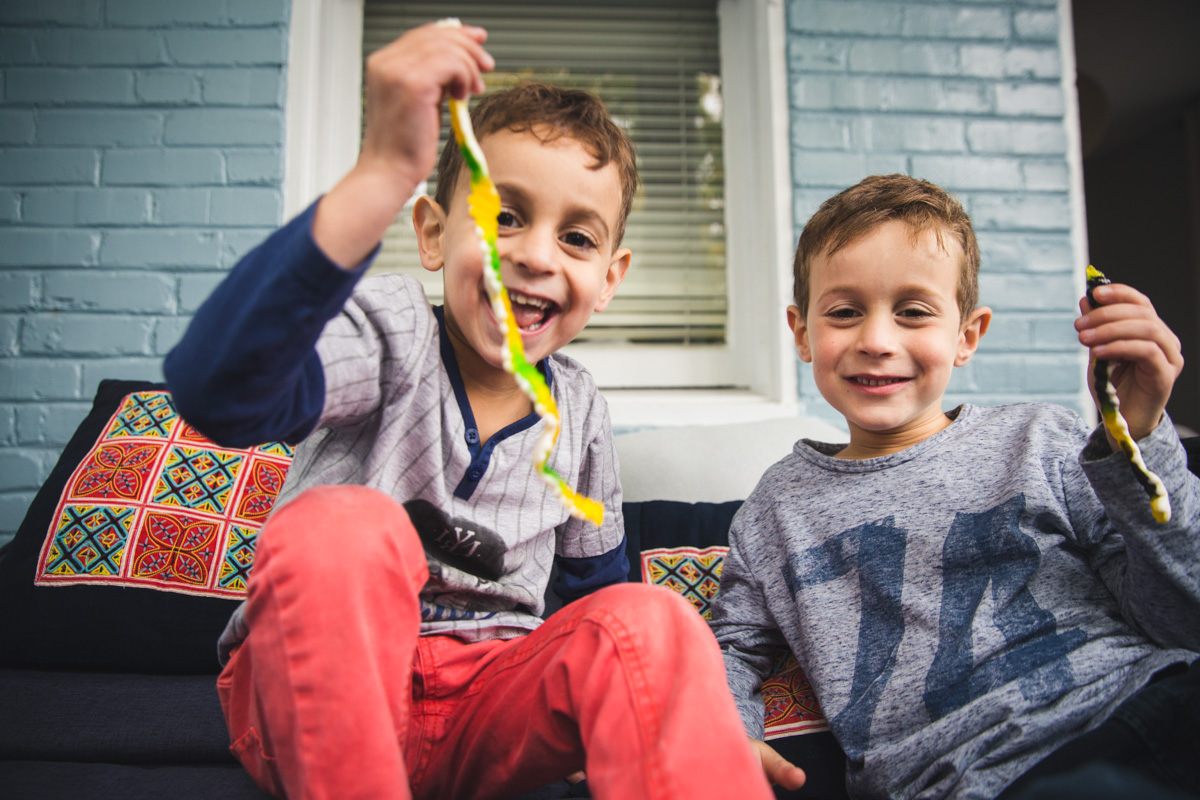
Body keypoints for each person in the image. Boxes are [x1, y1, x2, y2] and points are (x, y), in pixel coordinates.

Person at [164, 22, 776, 800]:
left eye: (577, 237)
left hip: (488, 703)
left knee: (649, 618)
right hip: (315, 699)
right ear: (431, 232)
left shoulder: (580, 408)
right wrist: (382, 167)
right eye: (504, 215)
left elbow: (597, 601)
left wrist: (692, 726)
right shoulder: (391, 333)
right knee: (342, 524)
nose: (535, 254)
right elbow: (220, 388)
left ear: (610, 278)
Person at [709, 173, 1200, 799]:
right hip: (976, 780)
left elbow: (1184, 616)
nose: (877, 341)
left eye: (914, 312)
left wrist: (1136, 440)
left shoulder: (1045, 439)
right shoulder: (774, 513)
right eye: (844, 312)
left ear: (966, 335)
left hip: (1152, 703)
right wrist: (723, 734)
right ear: (803, 332)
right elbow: (730, 650)